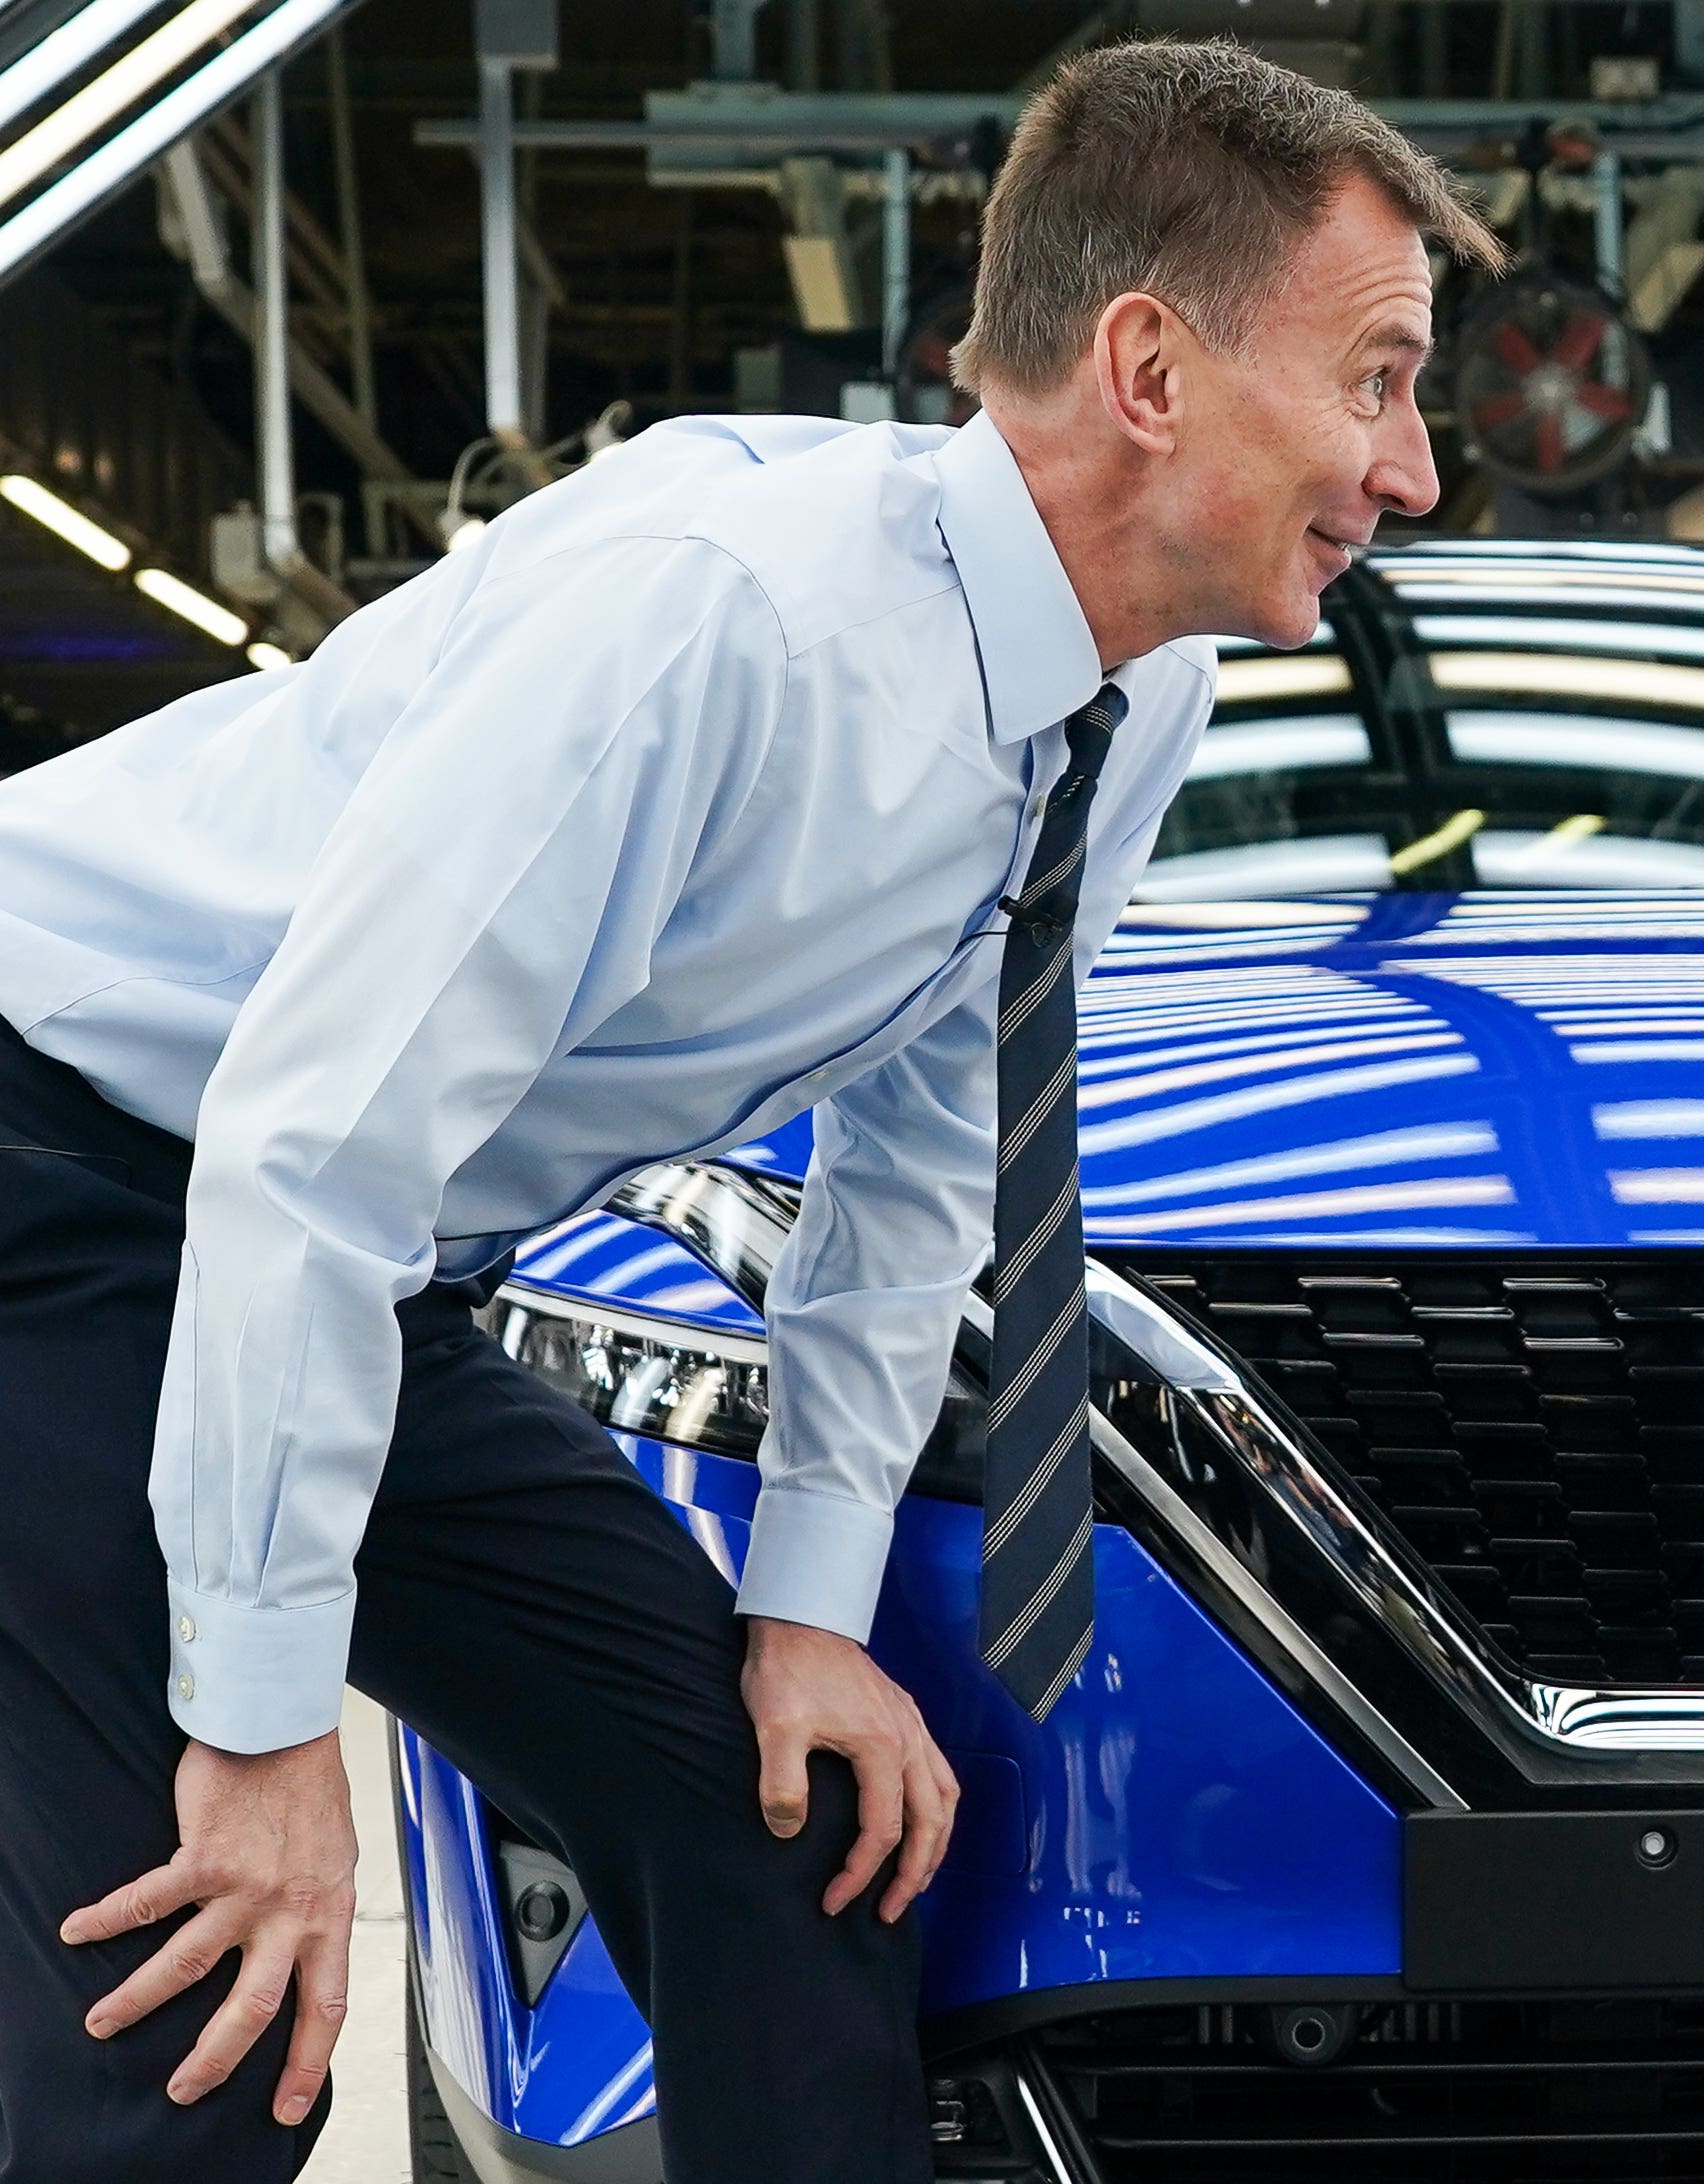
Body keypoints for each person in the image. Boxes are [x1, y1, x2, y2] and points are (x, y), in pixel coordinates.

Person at [0, 39, 1497, 2183]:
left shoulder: (1129, 677)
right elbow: (304, 1147)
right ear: (1150, 370)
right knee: (211, 2000)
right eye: (1377, 383)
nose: (1416, 469)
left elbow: (921, 1158)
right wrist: (257, 1739)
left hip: (352, 1265)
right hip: (61, 1179)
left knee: (791, 1840)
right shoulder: (727, 622)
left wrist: (805, 1617)